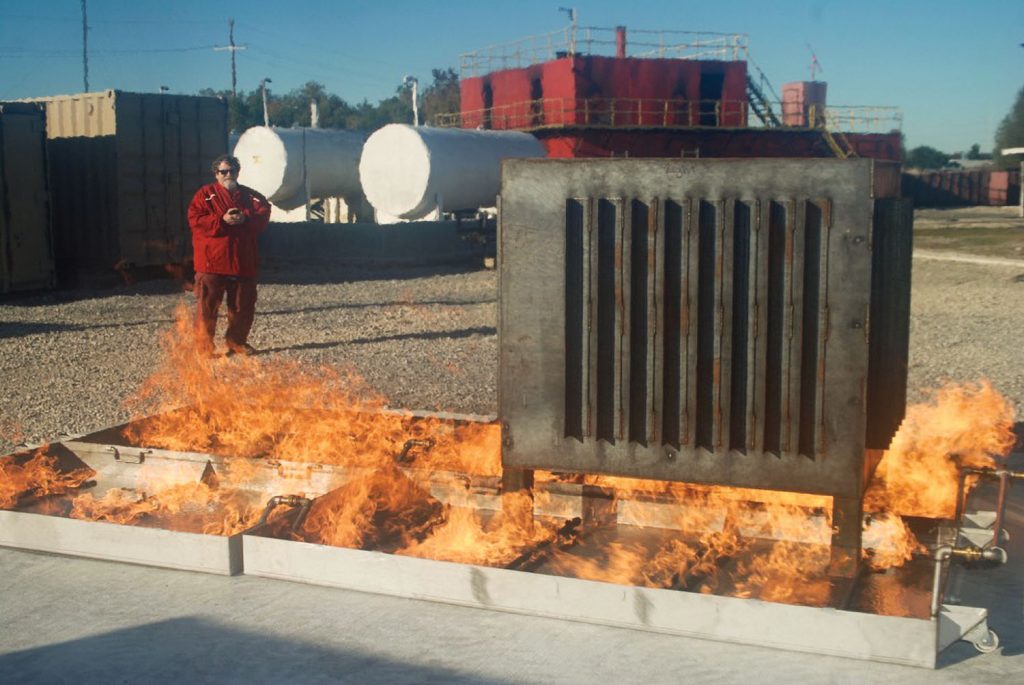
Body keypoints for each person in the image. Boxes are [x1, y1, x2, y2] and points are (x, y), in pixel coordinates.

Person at [187, 154, 272, 356]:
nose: (228, 175)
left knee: (243, 306)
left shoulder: (250, 196)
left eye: (231, 170)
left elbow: (264, 212)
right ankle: (204, 347)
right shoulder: (205, 195)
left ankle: (236, 343)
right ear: (216, 174)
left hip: (242, 261)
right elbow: (195, 220)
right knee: (207, 307)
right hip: (212, 262)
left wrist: (245, 218)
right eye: (223, 172)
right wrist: (221, 219)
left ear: (238, 172)